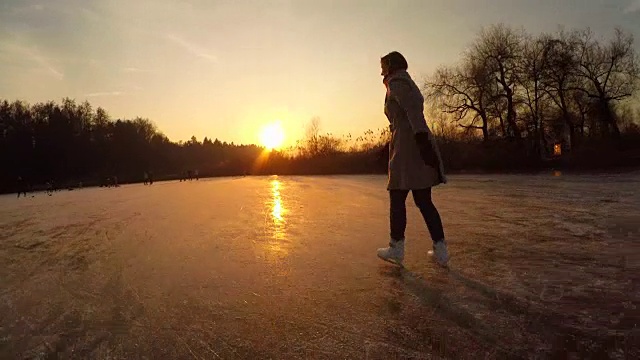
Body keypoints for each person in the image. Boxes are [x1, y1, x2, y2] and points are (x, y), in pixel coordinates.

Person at [376, 51, 449, 267]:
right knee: (423, 200)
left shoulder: (397, 82)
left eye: (382, 66)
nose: (380, 70)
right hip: (410, 141)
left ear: (390, 65)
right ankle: (440, 250)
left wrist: (420, 138)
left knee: (397, 195)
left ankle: (396, 247)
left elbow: (412, 111)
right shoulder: (404, 82)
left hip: (408, 146)